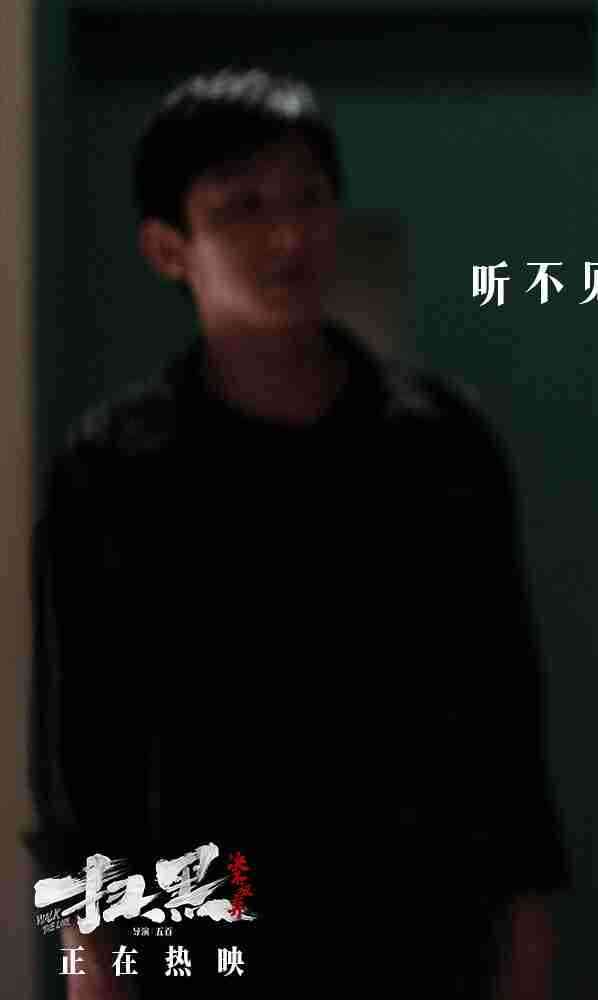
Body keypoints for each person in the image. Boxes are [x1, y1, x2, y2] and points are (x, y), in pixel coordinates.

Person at [25, 68, 568, 998]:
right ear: (168, 248)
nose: (288, 237)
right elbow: (83, 757)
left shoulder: (438, 445)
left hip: (413, 928)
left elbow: (505, 725)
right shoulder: (114, 467)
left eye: (308, 199)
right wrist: (94, 968)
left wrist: (525, 948)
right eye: (242, 209)